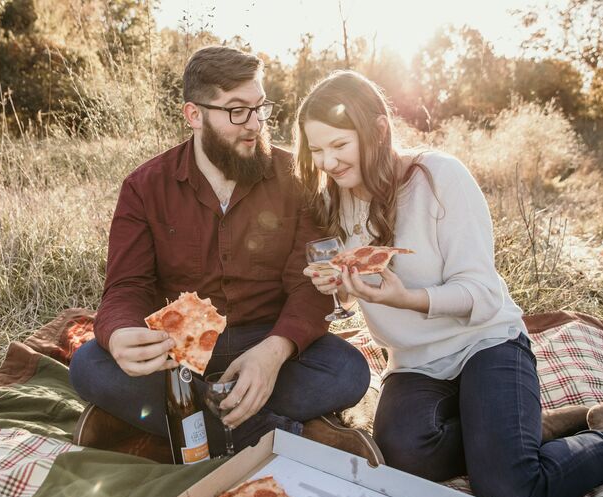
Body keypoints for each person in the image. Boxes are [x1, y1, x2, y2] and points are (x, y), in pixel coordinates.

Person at [296, 70, 603, 497]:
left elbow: (483, 293)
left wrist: (408, 297)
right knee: (405, 458)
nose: (327, 162)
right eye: (317, 149)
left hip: (485, 341)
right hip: (413, 361)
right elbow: (356, 299)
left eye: (339, 146)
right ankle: (531, 427)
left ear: (378, 130)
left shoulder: (441, 177)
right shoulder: (337, 200)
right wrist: (341, 289)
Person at [68, 47, 381, 464]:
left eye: (259, 108)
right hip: (180, 353)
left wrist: (273, 354)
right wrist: (122, 334)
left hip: (267, 340)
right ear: (194, 115)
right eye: (237, 111)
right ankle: (289, 434)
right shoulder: (144, 187)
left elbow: (309, 283)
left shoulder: (296, 179)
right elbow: (127, 286)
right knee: (89, 364)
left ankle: (160, 425)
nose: (254, 125)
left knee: (349, 372)